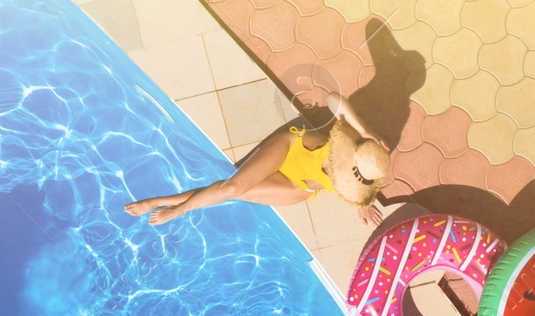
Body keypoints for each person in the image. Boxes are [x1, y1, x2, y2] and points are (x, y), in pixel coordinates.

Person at [124, 91, 393, 225]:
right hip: (289, 149)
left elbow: (359, 184)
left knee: (232, 193)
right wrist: (364, 129)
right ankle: (168, 205)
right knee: (230, 187)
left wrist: (361, 203)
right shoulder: (358, 145)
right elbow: (334, 97)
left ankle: (170, 204)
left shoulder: (366, 175)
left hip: (298, 187)